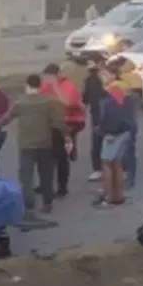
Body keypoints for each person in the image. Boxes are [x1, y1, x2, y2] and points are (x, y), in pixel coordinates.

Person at [0, 74, 65, 215]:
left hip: (26, 144)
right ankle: (47, 202)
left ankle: (29, 202)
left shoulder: (20, 102)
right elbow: (57, 123)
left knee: (26, 175)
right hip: (45, 143)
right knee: (46, 174)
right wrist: (66, 134)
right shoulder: (50, 101)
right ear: (40, 85)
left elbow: (6, 118)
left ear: (27, 85)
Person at [95, 66, 139, 207]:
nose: (101, 77)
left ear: (113, 75)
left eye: (104, 74)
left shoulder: (114, 88)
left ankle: (108, 197)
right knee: (117, 164)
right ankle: (118, 196)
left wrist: (103, 130)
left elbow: (113, 112)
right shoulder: (123, 87)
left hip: (114, 132)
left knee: (107, 163)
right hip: (125, 130)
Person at [40, 64, 85, 197]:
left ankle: (62, 186)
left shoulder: (67, 85)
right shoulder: (45, 85)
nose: (47, 80)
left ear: (57, 75)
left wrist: (55, 87)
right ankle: (45, 182)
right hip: (53, 121)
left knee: (61, 155)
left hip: (70, 121)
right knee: (46, 153)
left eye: (49, 78)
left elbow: (66, 102)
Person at [120, 60, 143, 192]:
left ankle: (129, 178)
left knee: (128, 151)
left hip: (127, 123)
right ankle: (127, 176)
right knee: (127, 151)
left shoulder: (130, 78)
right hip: (129, 121)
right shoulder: (134, 78)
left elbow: (132, 97)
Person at [81, 60, 107, 182]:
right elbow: (85, 98)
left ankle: (118, 168)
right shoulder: (89, 80)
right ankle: (98, 169)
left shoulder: (112, 80)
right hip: (96, 114)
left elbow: (120, 99)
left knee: (111, 140)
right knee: (97, 141)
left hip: (108, 114)